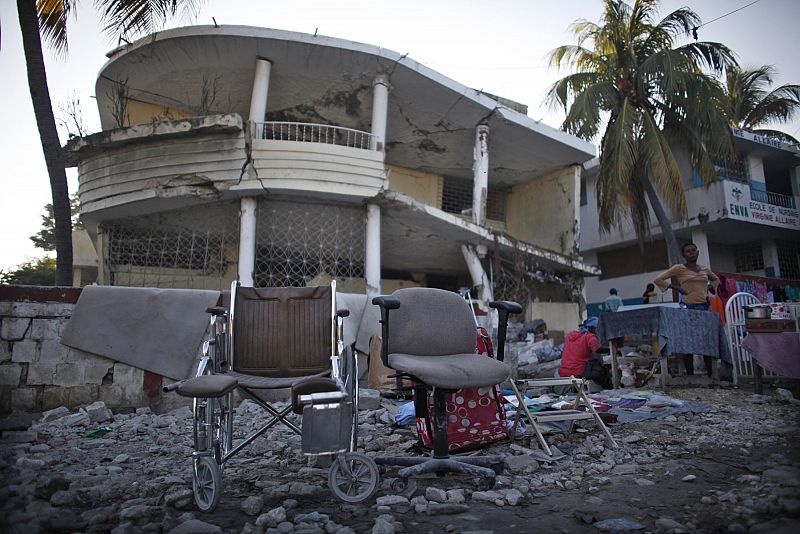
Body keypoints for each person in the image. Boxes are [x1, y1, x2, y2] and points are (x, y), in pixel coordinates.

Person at [654, 242, 721, 376]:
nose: (691, 253)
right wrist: (677, 288)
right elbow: (658, 279)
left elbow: (716, 279)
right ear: (683, 255)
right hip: (688, 308)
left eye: (693, 250)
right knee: (688, 342)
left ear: (697, 252)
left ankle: (711, 375)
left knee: (706, 342)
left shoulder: (704, 269)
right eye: (688, 251)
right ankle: (690, 376)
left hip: (704, 308)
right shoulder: (679, 268)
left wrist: (710, 288)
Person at [558, 317, 611, 388]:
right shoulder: (589, 336)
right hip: (577, 372)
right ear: (593, 329)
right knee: (601, 370)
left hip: (564, 372)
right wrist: (612, 350)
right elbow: (597, 349)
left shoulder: (570, 335)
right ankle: (608, 388)